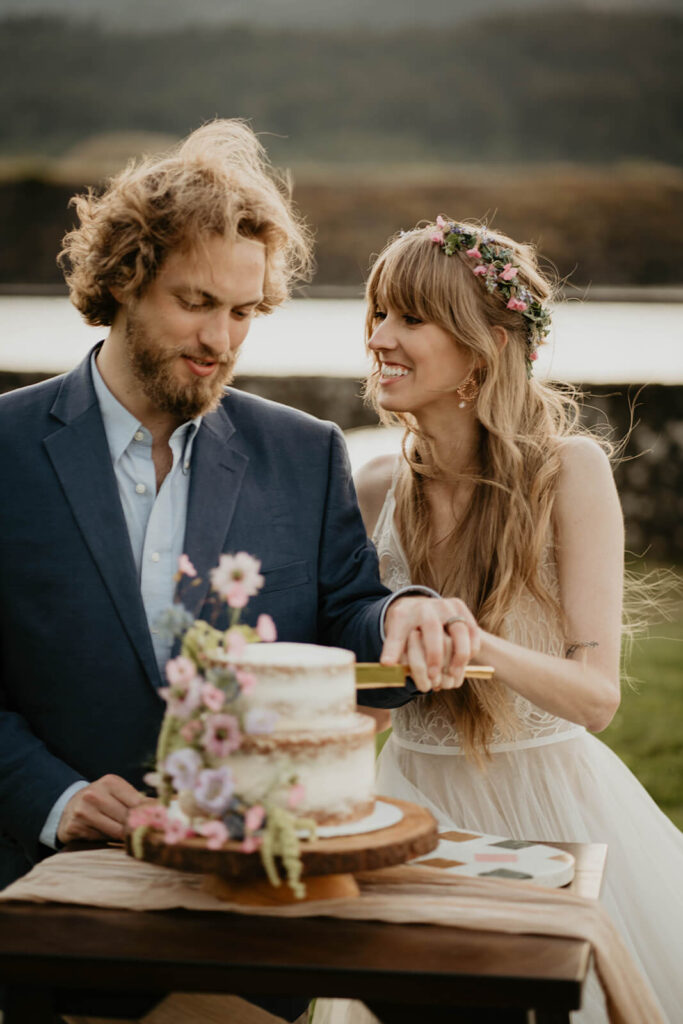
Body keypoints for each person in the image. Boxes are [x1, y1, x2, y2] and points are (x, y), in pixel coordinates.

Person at [0, 128, 472, 1023]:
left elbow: (350, 611)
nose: (221, 339)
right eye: (195, 302)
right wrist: (52, 796)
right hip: (50, 902)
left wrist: (404, 612)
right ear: (124, 280)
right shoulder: (4, 449)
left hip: (261, 907)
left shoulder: (302, 451)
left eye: (245, 311)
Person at [316, 218, 683, 1024]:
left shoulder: (569, 471)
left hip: (551, 809)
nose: (379, 337)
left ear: (481, 352)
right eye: (377, 313)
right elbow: (368, 692)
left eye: (409, 318)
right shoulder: (373, 484)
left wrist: (477, 645)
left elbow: (595, 700)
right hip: (407, 811)